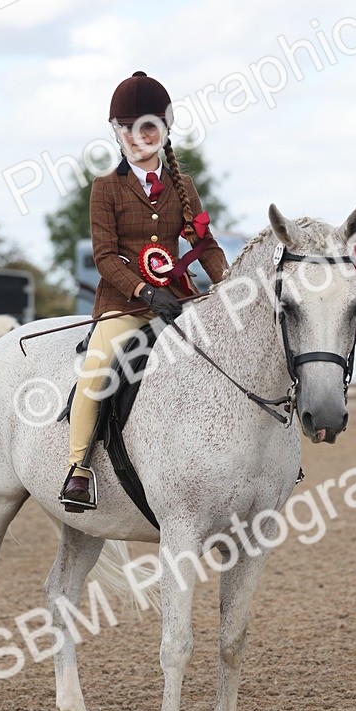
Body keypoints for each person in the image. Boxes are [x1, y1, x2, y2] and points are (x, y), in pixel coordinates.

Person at [62, 71, 229, 508]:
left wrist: (229, 286)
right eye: (129, 129)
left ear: (165, 130)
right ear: (117, 133)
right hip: (124, 306)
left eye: (149, 127)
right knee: (96, 372)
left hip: (179, 302)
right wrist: (144, 292)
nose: (140, 137)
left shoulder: (182, 186)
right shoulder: (106, 189)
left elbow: (204, 243)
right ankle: (78, 468)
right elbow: (104, 256)